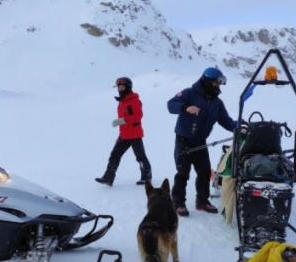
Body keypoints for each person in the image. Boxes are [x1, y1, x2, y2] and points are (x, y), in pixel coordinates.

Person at [167, 67, 236, 216]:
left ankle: (202, 201)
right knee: (183, 173)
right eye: (217, 83)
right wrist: (185, 108)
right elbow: (170, 105)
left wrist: (240, 128)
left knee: (205, 172)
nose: (219, 86)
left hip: (200, 142)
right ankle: (178, 203)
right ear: (208, 81)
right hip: (183, 140)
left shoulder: (217, 103)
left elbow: (226, 121)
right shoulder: (189, 93)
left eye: (220, 83)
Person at [95, 77, 152, 186]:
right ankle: (108, 177)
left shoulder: (134, 100)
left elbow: (138, 116)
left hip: (134, 134)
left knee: (140, 156)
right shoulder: (122, 101)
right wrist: (121, 123)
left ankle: (146, 178)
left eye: (122, 86)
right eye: (119, 87)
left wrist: (123, 120)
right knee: (114, 155)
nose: (120, 89)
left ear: (128, 87)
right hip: (124, 135)